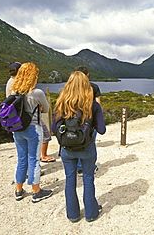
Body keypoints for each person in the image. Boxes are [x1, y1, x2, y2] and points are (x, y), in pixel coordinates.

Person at [52, 71, 106, 222]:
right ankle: (91, 214)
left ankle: (73, 215)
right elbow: (102, 130)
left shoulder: (61, 103)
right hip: (87, 149)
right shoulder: (93, 105)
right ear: (86, 86)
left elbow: (53, 128)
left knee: (70, 180)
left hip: (67, 149)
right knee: (88, 179)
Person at [10, 62, 53, 203]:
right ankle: (36, 191)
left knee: (21, 159)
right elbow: (46, 110)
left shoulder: (13, 92)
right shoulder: (37, 93)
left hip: (17, 129)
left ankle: (19, 190)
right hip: (33, 128)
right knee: (34, 160)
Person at [7, 62, 56, 163]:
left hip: (16, 120)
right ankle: (39, 162)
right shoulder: (33, 91)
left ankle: (22, 176)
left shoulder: (12, 85)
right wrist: (39, 107)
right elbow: (46, 109)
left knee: (22, 157)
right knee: (34, 154)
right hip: (29, 120)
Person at [74, 66, 101, 174]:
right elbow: (98, 104)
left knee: (75, 141)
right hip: (90, 120)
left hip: (74, 120)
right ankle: (89, 166)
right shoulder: (93, 87)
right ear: (87, 75)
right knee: (90, 143)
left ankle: (78, 166)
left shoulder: (72, 87)